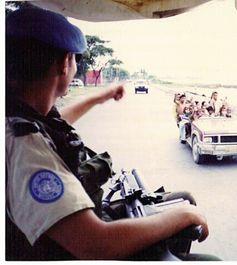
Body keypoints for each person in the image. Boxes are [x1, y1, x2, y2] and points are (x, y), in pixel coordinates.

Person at [6, 7, 219, 261]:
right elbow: (94, 244)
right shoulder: (26, 148)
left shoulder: (19, 115)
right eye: (75, 59)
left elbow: (55, 124)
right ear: (65, 63)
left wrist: (100, 96)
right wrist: (186, 215)